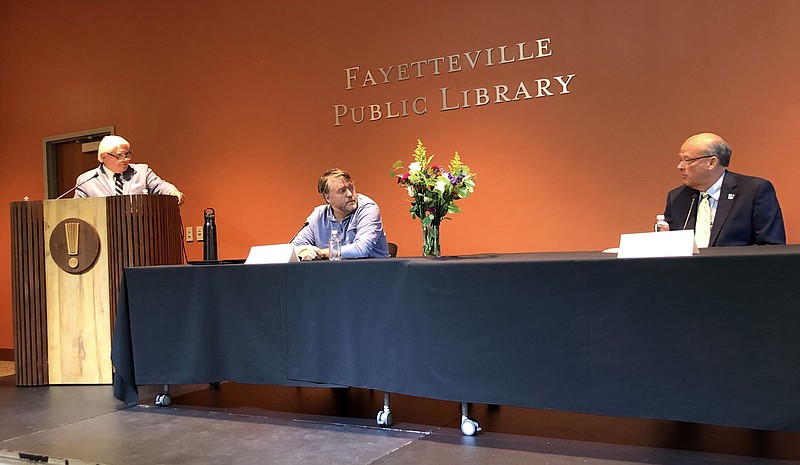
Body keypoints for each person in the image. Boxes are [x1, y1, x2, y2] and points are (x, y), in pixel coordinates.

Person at [663, 132, 785, 247]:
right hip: (687, 269)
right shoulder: (677, 197)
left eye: (687, 160)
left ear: (712, 162)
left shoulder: (753, 191)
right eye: (681, 160)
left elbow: (771, 246)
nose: (680, 167)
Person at [292, 168, 389, 260]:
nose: (350, 194)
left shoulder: (367, 208)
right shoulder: (318, 215)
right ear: (328, 198)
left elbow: (361, 249)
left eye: (351, 188)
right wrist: (302, 251)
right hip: (333, 274)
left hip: (372, 273)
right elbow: (293, 248)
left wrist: (319, 253)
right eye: (342, 191)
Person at [73, 135, 185, 206]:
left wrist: (173, 192)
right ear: (103, 157)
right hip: (104, 237)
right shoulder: (86, 181)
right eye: (119, 155)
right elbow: (78, 210)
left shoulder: (142, 172)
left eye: (127, 154)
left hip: (139, 235)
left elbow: (160, 186)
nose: (125, 159)